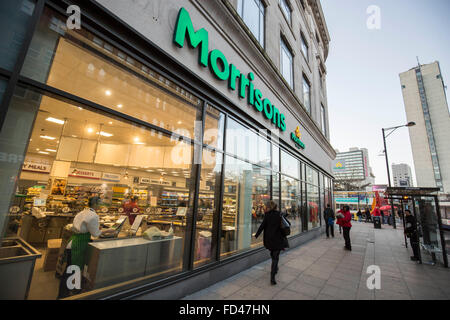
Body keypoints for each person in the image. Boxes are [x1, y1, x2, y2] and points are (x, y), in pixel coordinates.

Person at [58, 196, 103, 298]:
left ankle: (69, 292)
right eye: (100, 203)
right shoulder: (93, 215)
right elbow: (95, 234)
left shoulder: (82, 212)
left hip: (73, 241)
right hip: (79, 244)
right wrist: (108, 231)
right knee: (73, 269)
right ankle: (65, 295)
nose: (101, 205)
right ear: (95, 204)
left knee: (70, 269)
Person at [255, 201, 288, 285]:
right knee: (275, 257)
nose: (266, 207)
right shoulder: (279, 214)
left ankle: (275, 269)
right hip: (278, 239)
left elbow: (262, 226)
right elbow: (287, 224)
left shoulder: (267, 215)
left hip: (269, 239)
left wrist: (256, 235)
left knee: (273, 255)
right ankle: (272, 277)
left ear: (269, 207)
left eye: (267, 206)